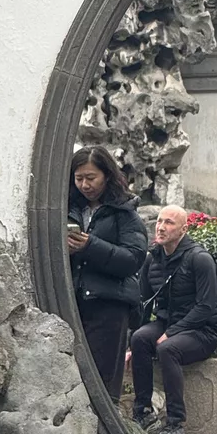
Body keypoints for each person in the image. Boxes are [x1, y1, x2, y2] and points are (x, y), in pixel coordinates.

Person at [128, 205, 217, 434]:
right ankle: (143, 412)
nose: (161, 227)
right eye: (159, 221)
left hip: (202, 330)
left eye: (169, 223)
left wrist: (171, 333)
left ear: (183, 229)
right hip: (168, 323)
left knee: (167, 349)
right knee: (139, 339)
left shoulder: (200, 259)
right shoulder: (152, 259)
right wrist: (130, 344)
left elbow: (206, 307)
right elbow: (144, 304)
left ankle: (175, 425)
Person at [67, 146, 148, 404]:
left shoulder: (124, 212)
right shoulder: (69, 209)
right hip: (73, 303)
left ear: (107, 175)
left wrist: (90, 246)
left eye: (91, 178)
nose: (85, 185)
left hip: (108, 306)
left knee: (102, 385)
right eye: (79, 178)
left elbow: (133, 258)